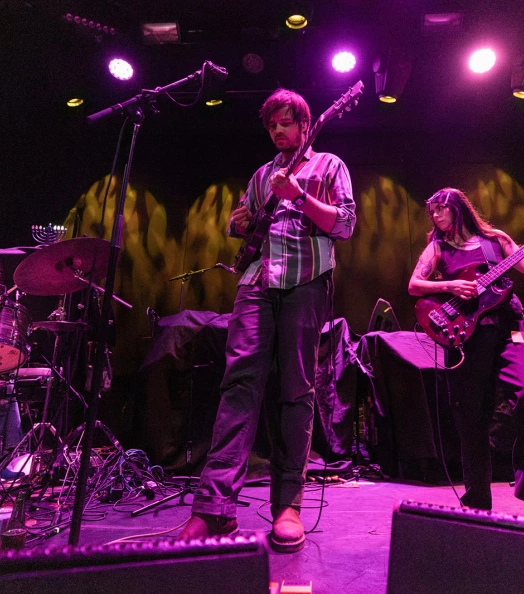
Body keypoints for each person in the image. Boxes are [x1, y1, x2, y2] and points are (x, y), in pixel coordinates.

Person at [178, 89, 356, 552]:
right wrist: (238, 222)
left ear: (304, 124)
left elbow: (345, 226)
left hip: (306, 280)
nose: (278, 131)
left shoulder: (330, 166)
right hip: (256, 282)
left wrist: (298, 197)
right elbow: (242, 221)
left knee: (296, 391)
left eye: (285, 123)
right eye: (272, 125)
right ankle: (213, 509)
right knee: (238, 389)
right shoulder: (262, 175)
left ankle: (288, 507)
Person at [407, 188, 524, 522]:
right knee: (472, 417)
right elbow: (415, 285)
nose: (435, 216)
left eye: (440, 209)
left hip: (509, 326)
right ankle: (478, 501)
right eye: (431, 211)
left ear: (458, 208)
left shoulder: (495, 240)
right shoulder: (437, 249)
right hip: (468, 336)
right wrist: (450, 286)